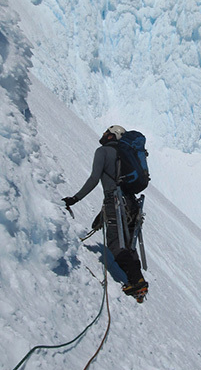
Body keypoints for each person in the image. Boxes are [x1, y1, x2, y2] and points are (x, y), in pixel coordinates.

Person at [63, 125, 147, 296]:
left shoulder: (103, 152)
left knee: (115, 244)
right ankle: (138, 281)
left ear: (112, 135)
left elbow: (95, 178)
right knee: (129, 245)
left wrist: (75, 198)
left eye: (106, 132)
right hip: (131, 204)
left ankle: (136, 282)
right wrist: (103, 215)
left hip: (115, 202)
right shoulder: (126, 155)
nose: (103, 135)